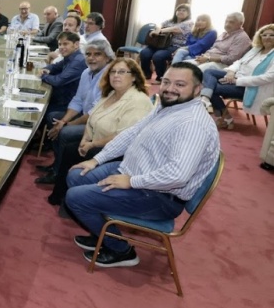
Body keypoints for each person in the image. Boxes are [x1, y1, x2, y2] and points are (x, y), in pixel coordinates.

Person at [65, 62, 220, 268]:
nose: (170, 88)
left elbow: (178, 175)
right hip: (134, 172)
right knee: (77, 175)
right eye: (166, 82)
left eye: (180, 84)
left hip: (160, 195)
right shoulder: (169, 107)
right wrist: (97, 159)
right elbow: (131, 133)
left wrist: (131, 182)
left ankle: (121, 250)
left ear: (197, 89)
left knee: (75, 198)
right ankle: (102, 232)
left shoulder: (192, 124)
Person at [48, 57, 153, 208]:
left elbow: (123, 137)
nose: (116, 75)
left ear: (134, 77)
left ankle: (67, 198)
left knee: (72, 150)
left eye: (122, 72)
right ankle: (61, 195)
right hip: (98, 141)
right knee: (72, 147)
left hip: (119, 152)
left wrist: (92, 144)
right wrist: (85, 139)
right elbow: (92, 119)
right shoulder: (110, 94)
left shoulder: (139, 102)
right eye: (113, 72)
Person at [36, 40, 114, 185]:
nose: (91, 58)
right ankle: (57, 164)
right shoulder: (86, 72)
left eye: (97, 54)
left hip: (98, 123)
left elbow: (94, 113)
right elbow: (77, 100)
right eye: (88, 54)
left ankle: (59, 173)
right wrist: (63, 121)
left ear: (108, 58)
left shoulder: (110, 78)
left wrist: (68, 124)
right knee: (53, 118)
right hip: (85, 115)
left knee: (65, 132)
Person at [199, 24, 274, 129]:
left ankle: (225, 117)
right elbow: (239, 62)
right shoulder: (256, 50)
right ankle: (206, 99)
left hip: (249, 87)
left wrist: (237, 81)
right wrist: (231, 72)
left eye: (271, 35)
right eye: (264, 35)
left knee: (212, 88)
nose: (267, 37)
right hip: (236, 77)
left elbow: (267, 78)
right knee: (209, 72)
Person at [140, 3, 193, 83]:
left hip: (175, 46)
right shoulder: (170, 21)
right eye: (179, 10)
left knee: (158, 56)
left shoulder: (189, 22)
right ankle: (146, 74)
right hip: (160, 43)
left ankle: (160, 77)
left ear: (188, 13)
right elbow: (159, 25)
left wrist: (161, 30)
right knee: (144, 53)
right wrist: (158, 28)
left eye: (184, 11)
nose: (181, 12)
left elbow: (175, 29)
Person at [187, 12, 252, 71]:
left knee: (193, 71)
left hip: (223, 65)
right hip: (208, 59)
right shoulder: (224, 34)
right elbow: (213, 49)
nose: (227, 24)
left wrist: (209, 58)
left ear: (240, 24)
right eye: (226, 21)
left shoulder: (242, 37)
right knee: (184, 65)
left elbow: (232, 59)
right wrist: (205, 56)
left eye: (231, 22)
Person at [40, 31, 87, 113]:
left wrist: (43, 75)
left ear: (76, 45)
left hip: (68, 105)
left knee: (40, 106)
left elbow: (58, 81)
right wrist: (45, 69)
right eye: (59, 44)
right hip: (61, 98)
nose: (61, 47)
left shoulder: (78, 61)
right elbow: (55, 66)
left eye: (65, 44)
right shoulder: (70, 56)